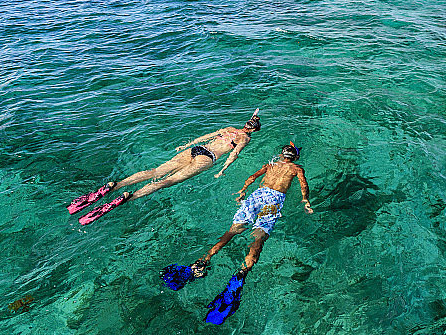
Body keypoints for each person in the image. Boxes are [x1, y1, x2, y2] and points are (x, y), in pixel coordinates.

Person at [68, 110, 261, 225]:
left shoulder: (229, 129)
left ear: (246, 123)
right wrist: (222, 170)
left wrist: (186, 145)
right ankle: (130, 196)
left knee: (155, 172)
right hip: (208, 157)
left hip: (198, 148)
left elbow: (206, 136)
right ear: (253, 129)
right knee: (166, 182)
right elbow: (234, 154)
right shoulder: (244, 138)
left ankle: (117, 185)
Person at [191, 143, 313, 281]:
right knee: (259, 236)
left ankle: (205, 259)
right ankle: (243, 272)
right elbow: (303, 184)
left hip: (257, 195)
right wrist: (305, 200)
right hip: (274, 199)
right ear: (295, 157)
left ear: (282, 155)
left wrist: (242, 190)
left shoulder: (270, 165)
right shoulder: (297, 168)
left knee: (233, 230)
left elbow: (253, 177)